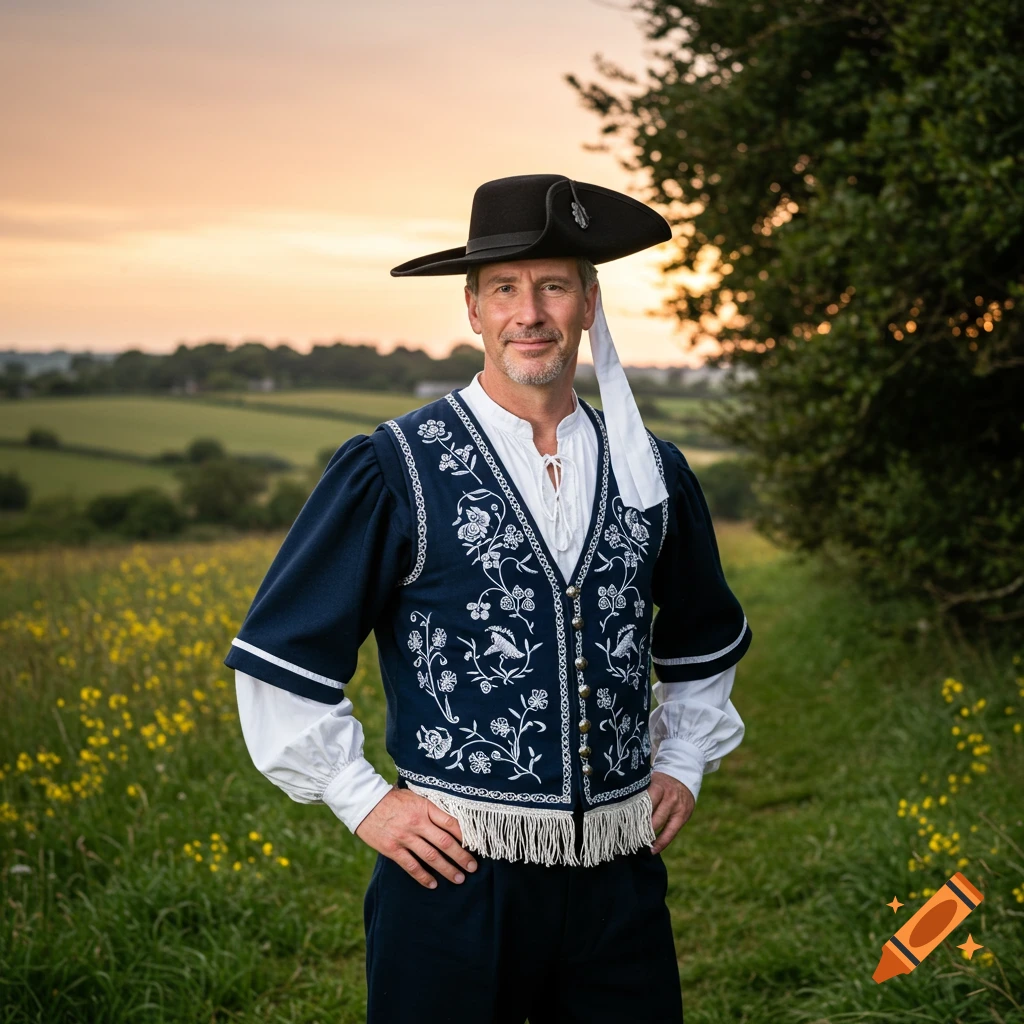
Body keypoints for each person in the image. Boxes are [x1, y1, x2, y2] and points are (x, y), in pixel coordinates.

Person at [226, 173, 751, 1023]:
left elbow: (701, 639)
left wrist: (683, 761)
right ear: (473, 309)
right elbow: (281, 658)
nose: (529, 312)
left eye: (552, 285)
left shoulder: (653, 470)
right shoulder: (395, 467)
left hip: (619, 878)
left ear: (588, 300)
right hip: (456, 878)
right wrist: (365, 801)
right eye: (505, 288)